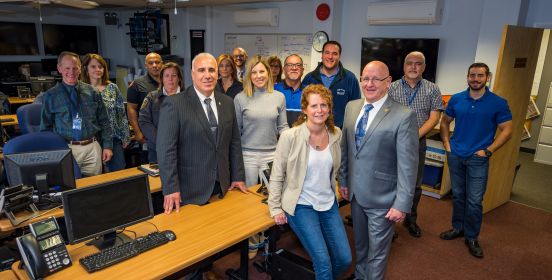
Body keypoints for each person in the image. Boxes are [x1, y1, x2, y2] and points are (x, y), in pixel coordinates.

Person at [338, 61, 418, 280]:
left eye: (376, 79)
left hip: (383, 198)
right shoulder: (352, 107)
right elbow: (346, 149)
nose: (369, 84)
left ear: (388, 82)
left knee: (378, 253)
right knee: (360, 245)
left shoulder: (404, 115)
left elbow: (408, 166)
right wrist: (343, 180)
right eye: (365, 78)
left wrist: (402, 203)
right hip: (355, 193)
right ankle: (361, 276)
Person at [268, 84, 352, 280]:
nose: (319, 110)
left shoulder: (335, 134)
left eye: (324, 105)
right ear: (304, 109)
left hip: (328, 202)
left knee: (344, 259)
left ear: (329, 109)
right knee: (323, 262)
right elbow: (277, 174)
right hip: (301, 205)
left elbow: (340, 166)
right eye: (314, 106)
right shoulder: (290, 136)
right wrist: (275, 208)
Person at [157, 52, 247, 212]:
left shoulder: (227, 102)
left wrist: (238, 176)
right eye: (201, 70)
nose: (207, 75)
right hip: (190, 191)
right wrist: (170, 188)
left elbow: (234, 143)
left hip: (223, 188)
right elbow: (166, 150)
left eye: (212, 70)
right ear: (192, 74)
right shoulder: (174, 104)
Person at [439, 62, 513, 259]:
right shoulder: (456, 99)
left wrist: (488, 150)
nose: (475, 79)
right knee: (458, 196)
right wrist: (447, 144)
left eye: (480, 75)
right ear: (467, 77)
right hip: (456, 155)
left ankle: (471, 237)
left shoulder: (498, 102)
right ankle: (458, 228)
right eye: (472, 75)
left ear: (487, 77)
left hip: (478, 159)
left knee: (474, 201)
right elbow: (445, 122)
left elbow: (507, 130)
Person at [234, 55, 288, 258]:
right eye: (254, 72)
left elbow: (283, 127)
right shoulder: (240, 98)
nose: (258, 76)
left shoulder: (278, 97)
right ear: (249, 75)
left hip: (271, 156)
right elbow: (236, 133)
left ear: (269, 73)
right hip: (247, 155)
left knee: (270, 200)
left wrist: (290, 149)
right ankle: (251, 241)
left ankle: (267, 240)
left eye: (262, 72)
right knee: (248, 202)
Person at [387, 51, 443, 237]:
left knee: (415, 184)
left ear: (423, 67)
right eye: (409, 63)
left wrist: (413, 136)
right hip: (391, 142)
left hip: (417, 142)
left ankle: (411, 219)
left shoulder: (432, 89)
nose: (413, 67)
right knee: (390, 182)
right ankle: (389, 224)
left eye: (417, 63)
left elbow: (434, 118)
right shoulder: (391, 88)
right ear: (403, 66)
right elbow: (384, 114)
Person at [40, 51, 113, 176]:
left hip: (92, 147)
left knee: (94, 187)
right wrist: (52, 154)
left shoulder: (92, 91)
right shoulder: (50, 96)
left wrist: (108, 146)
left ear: (80, 69)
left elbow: (104, 120)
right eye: (67, 68)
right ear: (59, 68)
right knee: (70, 187)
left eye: (75, 68)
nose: (71, 72)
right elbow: (45, 128)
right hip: (67, 148)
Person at [81, 53, 130, 172]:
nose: (98, 69)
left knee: (119, 171)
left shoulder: (112, 88)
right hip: (91, 140)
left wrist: (125, 137)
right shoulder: (80, 90)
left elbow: (121, 114)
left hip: (113, 137)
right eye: (93, 66)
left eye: (100, 66)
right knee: (95, 175)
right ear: (86, 69)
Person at [302, 41, 360, 127]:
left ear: (339, 56)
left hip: (340, 132)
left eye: (334, 53)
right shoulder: (310, 78)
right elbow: (304, 105)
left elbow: (356, 109)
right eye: (327, 53)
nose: (330, 56)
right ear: (322, 55)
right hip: (313, 131)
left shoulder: (350, 79)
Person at [139, 62, 184, 163]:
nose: (170, 79)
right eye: (166, 76)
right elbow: (144, 121)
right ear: (162, 79)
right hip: (157, 149)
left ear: (179, 78)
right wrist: (161, 140)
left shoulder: (188, 98)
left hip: (183, 149)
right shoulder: (151, 98)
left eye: (174, 75)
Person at [127, 52, 163, 154]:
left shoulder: (169, 81)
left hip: (167, 130)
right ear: (146, 65)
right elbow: (131, 109)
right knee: (151, 164)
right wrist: (137, 132)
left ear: (162, 64)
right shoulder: (137, 84)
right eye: (151, 63)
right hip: (148, 133)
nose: (155, 65)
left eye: (157, 62)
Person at [274, 54, 305, 126]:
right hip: (278, 137)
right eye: (290, 65)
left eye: (298, 65)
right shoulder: (273, 90)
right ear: (284, 69)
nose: (294, 68)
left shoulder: (309, 93)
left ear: (302, 70)